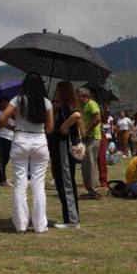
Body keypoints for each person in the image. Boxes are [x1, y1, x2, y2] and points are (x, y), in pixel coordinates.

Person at [0, 73, 53, 234]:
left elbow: (2, 119)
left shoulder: (18, 99)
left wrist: (11, 127)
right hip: (40, 141)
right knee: (38, 185)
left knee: (20, 183)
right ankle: (40, 225)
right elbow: (49, 128)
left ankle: (21, 224)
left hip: (20, 139)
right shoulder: (46, 102)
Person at [48, 81, 82, 228]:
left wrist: (64, 126)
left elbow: (77, 115)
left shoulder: (68, 105)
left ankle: (72, 220)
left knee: (66, 181)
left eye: (57, 90)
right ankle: (70, 218)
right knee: (62, 181)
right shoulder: (61, 106)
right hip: (58, 147)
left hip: (63, 147)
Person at [77, 87, 102, 200]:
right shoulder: (82, 106)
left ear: (85, 96)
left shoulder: (92, 104)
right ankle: (90, 190)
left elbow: (97, 118)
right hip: (85, 138)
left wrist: (87, 129)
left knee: (91, 165)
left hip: (92, 137)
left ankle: (94, 191)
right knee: (86, 165)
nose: (77, 97)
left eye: (79, 95)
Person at [0, 98, 14, 185]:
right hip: (1, 138)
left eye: (7, 103)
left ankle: (4, 178)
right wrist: (11, 127)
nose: (5, 105)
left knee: (6, 158)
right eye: (3, 103)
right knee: (2, 159)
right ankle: (2, 180)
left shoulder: (10, 114)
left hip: (10, 138)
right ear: (1, 104)